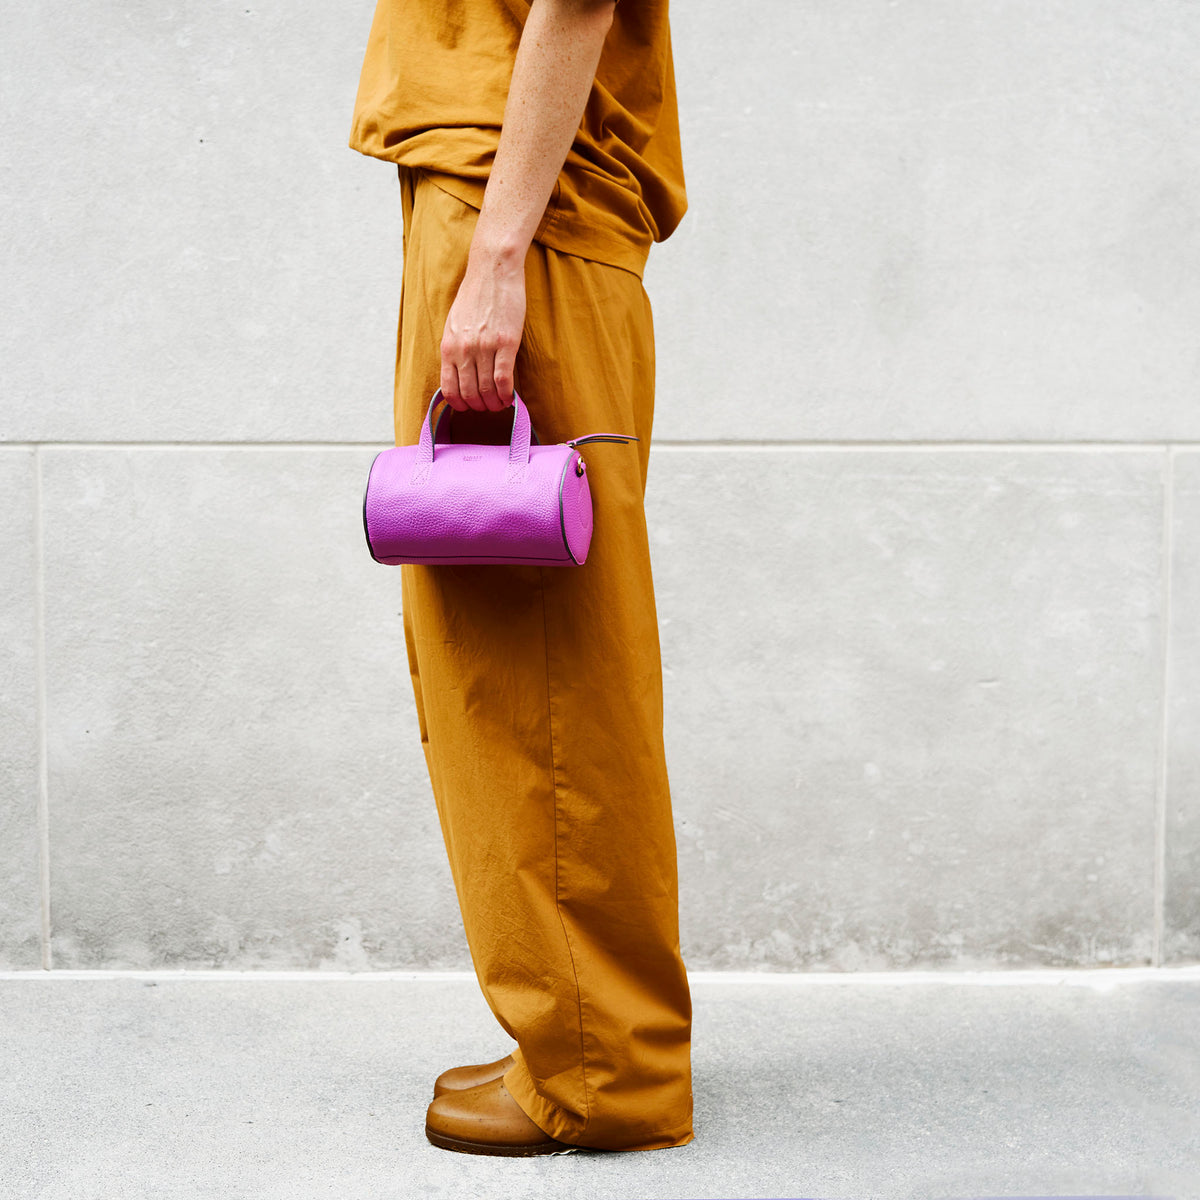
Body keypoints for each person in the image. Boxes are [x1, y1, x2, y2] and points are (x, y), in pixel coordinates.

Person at [348, 0, 693, 1156]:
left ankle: (602, 1074)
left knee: (537, 666)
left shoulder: (514, 230)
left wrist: (496, 255)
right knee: (520, 665)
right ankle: (585, 1034)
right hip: (514, 200)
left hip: (522, 211)